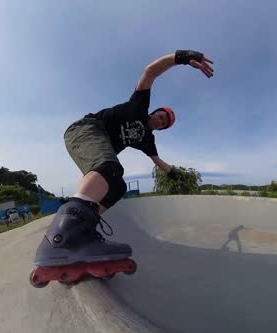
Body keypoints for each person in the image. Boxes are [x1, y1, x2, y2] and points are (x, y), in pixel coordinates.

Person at [34, 50, 215, 267]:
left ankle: (83, 230)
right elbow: (151, 72)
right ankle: (62, 236)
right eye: (160, 116)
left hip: (94, 146)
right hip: (85, 130)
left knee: (117, 187)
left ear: (162, 129)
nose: (160, 120)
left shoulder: (147, 140)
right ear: (153, 112)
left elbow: (158, 161)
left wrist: (176, 175)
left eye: (163, 123)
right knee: (111, 167)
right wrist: (182, 58)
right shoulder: (138, 106)